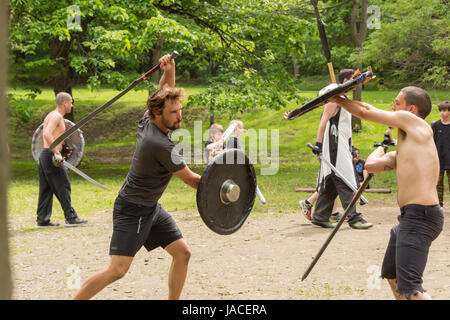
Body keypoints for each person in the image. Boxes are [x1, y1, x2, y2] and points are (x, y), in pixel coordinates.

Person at [73, 54, 201, 300]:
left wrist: (169, 68)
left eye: (180, 110)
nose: (180, 117)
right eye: (174, 112)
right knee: (117, 270)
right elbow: (192, 180)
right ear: (158, 113)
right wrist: (227, 188)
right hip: (133, 210)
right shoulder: (160, 145)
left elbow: (164, 89)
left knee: (182, 253)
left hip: (150, 207)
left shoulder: (148, 121)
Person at [329, 86, 444, 300]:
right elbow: (371, 166)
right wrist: (382, 148)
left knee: (411, 286)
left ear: (411, 109)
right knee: (392, 276)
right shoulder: (407, 147)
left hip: (421, 216)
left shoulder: (416, 123)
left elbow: (364, 110)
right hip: (410, 217)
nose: (392, 107)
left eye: (396, 102)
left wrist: (339, 100)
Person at [309, 69, 373, 229]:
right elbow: (324, 121)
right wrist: (318, 143)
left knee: (331, 182)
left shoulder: (344, 99)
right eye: (353, 79)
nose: (355, 83)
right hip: (333, 146)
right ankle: (354, 218)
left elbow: (346, 128)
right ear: (346, 80)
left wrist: (351, 146)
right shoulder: (334, 99)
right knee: (345, 178)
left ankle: (320, 216)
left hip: (343, 144)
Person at [35, 92, 87, 228]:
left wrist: (63, 148)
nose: (72, 105)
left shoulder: (52, 115)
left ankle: (43, 219)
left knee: (46, 188)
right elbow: (46, 134)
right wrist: (57, 152)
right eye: (71, 102)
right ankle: (71, 217)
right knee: (63, 185)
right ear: (65, 103)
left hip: (45, 154)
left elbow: (52, 135)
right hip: (51, 156)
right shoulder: (57, 116)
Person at [431, 101, 450, 207]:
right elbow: (431, 142)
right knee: (438, 184)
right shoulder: (435, 126)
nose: (442, 113)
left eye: (445, 110)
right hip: (438, 160)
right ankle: (439, 206)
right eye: (441, 110)